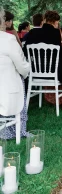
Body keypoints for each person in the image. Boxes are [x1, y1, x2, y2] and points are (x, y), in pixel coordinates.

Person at [23, 10, 62, 86]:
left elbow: (25, 52)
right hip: (56, 70)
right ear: (56, 21)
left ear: (45, 20)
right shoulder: (60, 33)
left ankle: (49, 95)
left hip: (36, 69)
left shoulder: (33, 32)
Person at [0, 9, 30, 140]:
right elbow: (22, 66)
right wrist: (26, 72)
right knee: (20, 76)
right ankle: (15, 129)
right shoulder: (8, 39)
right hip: (5, 94)